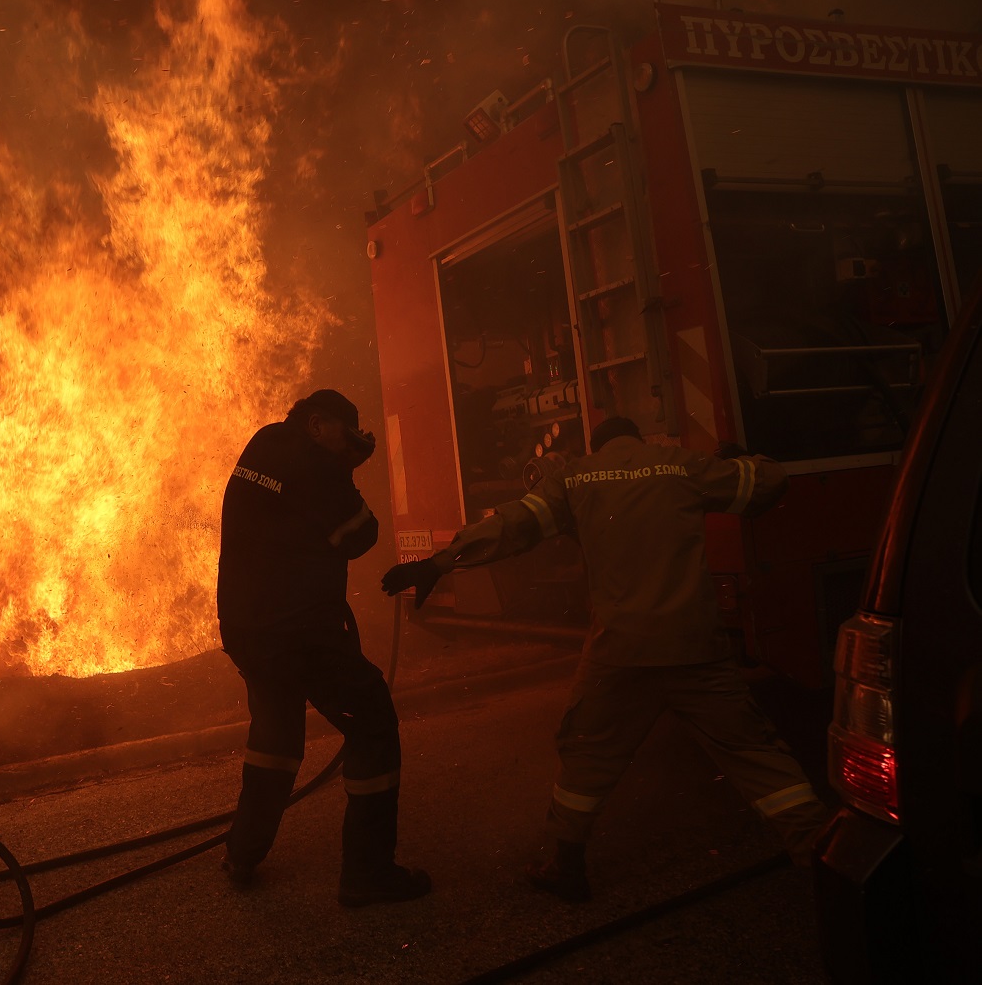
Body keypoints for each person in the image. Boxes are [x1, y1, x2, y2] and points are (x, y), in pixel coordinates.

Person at [382, 416, 828, 902]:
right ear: (638, 440)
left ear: (597, 446)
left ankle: (563, 862)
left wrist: (440, 562)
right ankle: (824, 855)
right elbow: (769, 482)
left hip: (620, 653)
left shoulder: (575, 479)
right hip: (694, 647)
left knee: (588, 751)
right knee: (753, 752)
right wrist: (742, 460)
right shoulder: (678, 466)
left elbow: (513, 526)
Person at [218, 389, 431, 907]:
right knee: (373, 723)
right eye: (345, 433)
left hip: (247, 626)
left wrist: (340, 463)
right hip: (300, 632)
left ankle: (242, 853)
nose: (348, 445)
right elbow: (361, 533)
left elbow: (301, 517)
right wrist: (347, 469)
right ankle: (368, 874)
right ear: (318, 425)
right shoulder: (316, 464)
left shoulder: (265, 442)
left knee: (276, 733)